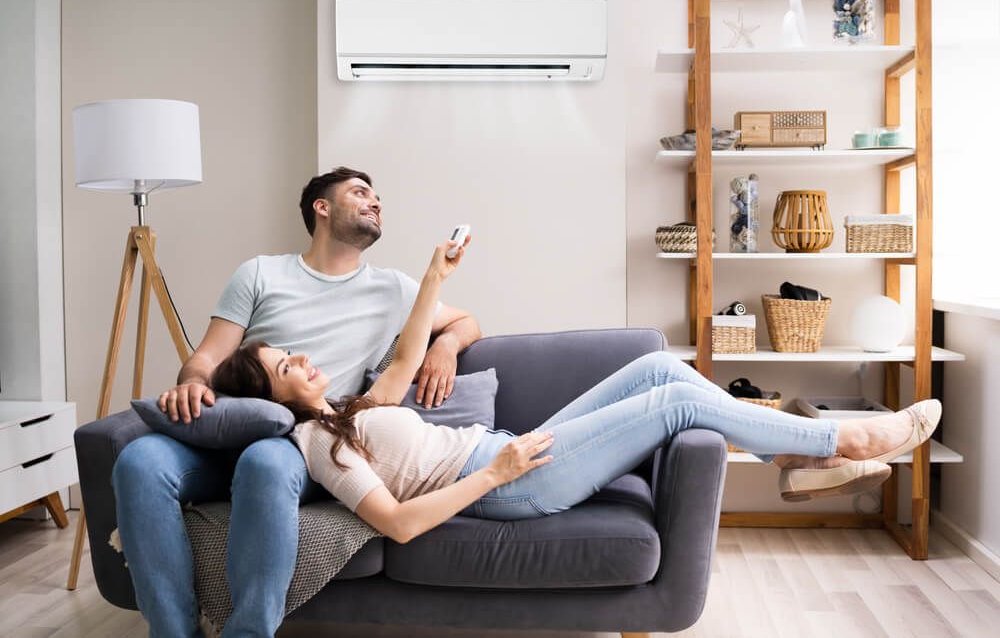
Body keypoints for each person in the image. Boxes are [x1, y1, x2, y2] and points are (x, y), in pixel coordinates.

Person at [211, 237, 942, 542]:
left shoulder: (348, 408)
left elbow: (406, 353)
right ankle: (838, 439)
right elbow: (398, 523)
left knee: (660, 368)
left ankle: (791, 459)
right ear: (274, 399)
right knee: (677, 401)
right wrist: (494, 472)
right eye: (286, 366)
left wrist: (436, 278)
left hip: (504, 451)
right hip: (505, 482)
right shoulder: (314, 443)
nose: (305, 359)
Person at [111, 167, 480, 637]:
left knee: (267, 461)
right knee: (139, 460)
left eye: (378, 196)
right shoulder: (260, 273)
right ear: (320, 208)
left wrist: (444, 347)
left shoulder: (395, 288)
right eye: (360, 193)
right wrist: (193, 381)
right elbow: (207, 355)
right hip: (231, 426)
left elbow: (466, 321)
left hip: (302, 441)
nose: (376, 202)